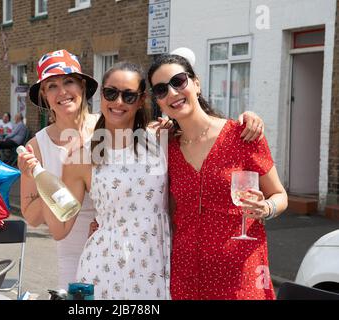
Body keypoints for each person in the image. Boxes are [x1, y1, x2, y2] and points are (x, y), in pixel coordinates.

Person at [18, 49, 265, 293]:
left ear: (142, 99)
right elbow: (58, 229)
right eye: (111, 93)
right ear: (102, 96)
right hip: (102, 269)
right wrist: (41, 177)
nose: (118, 102)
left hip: (157, 267)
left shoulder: (162, 139)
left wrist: (243, 122)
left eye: (128, 96)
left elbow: (200, 135)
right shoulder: (76, 155)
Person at [148, 54, 288, 300]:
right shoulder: (166, 148)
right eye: (161, 89)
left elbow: (280, 195)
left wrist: (266, 207)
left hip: (240, 277)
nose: (172, 93)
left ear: (196, 84)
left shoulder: (242, 136)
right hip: (187, 277)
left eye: (178, 81)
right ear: (158, 101)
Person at [18, 49, 99, 290]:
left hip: (114, 249)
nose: (62, 92)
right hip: (71, 256)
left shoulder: (108, 129)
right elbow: (31, 218)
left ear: (82, 86)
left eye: (69, 81)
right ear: (44, 95)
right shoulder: (37, 146)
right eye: (52, 86)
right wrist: (35, 177)